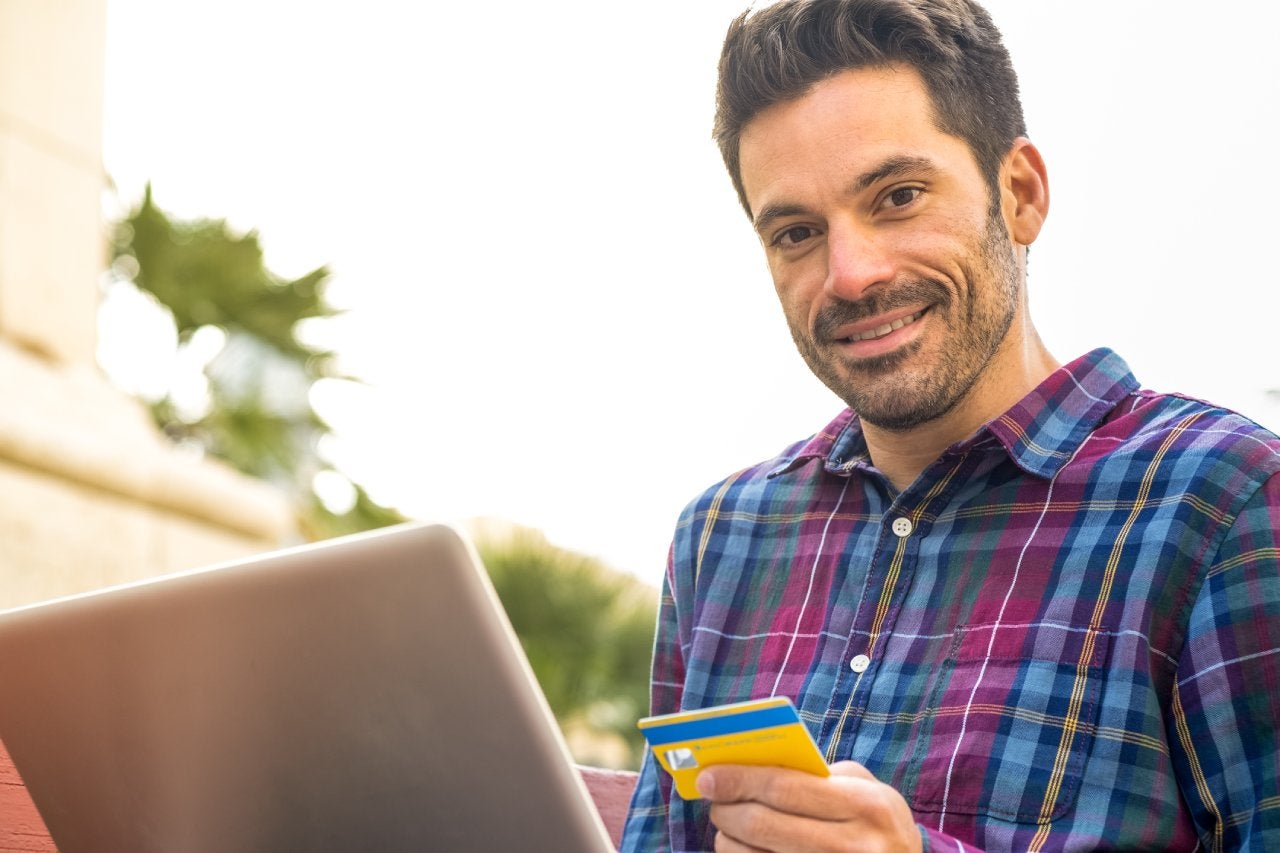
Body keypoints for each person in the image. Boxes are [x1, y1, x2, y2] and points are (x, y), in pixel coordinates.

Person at [619, 1, 1280, 850]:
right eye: (796, 232)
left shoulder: (1228, 503)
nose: (850, 274)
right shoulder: (720, 536)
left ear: (1021, 194)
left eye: (897, 197)